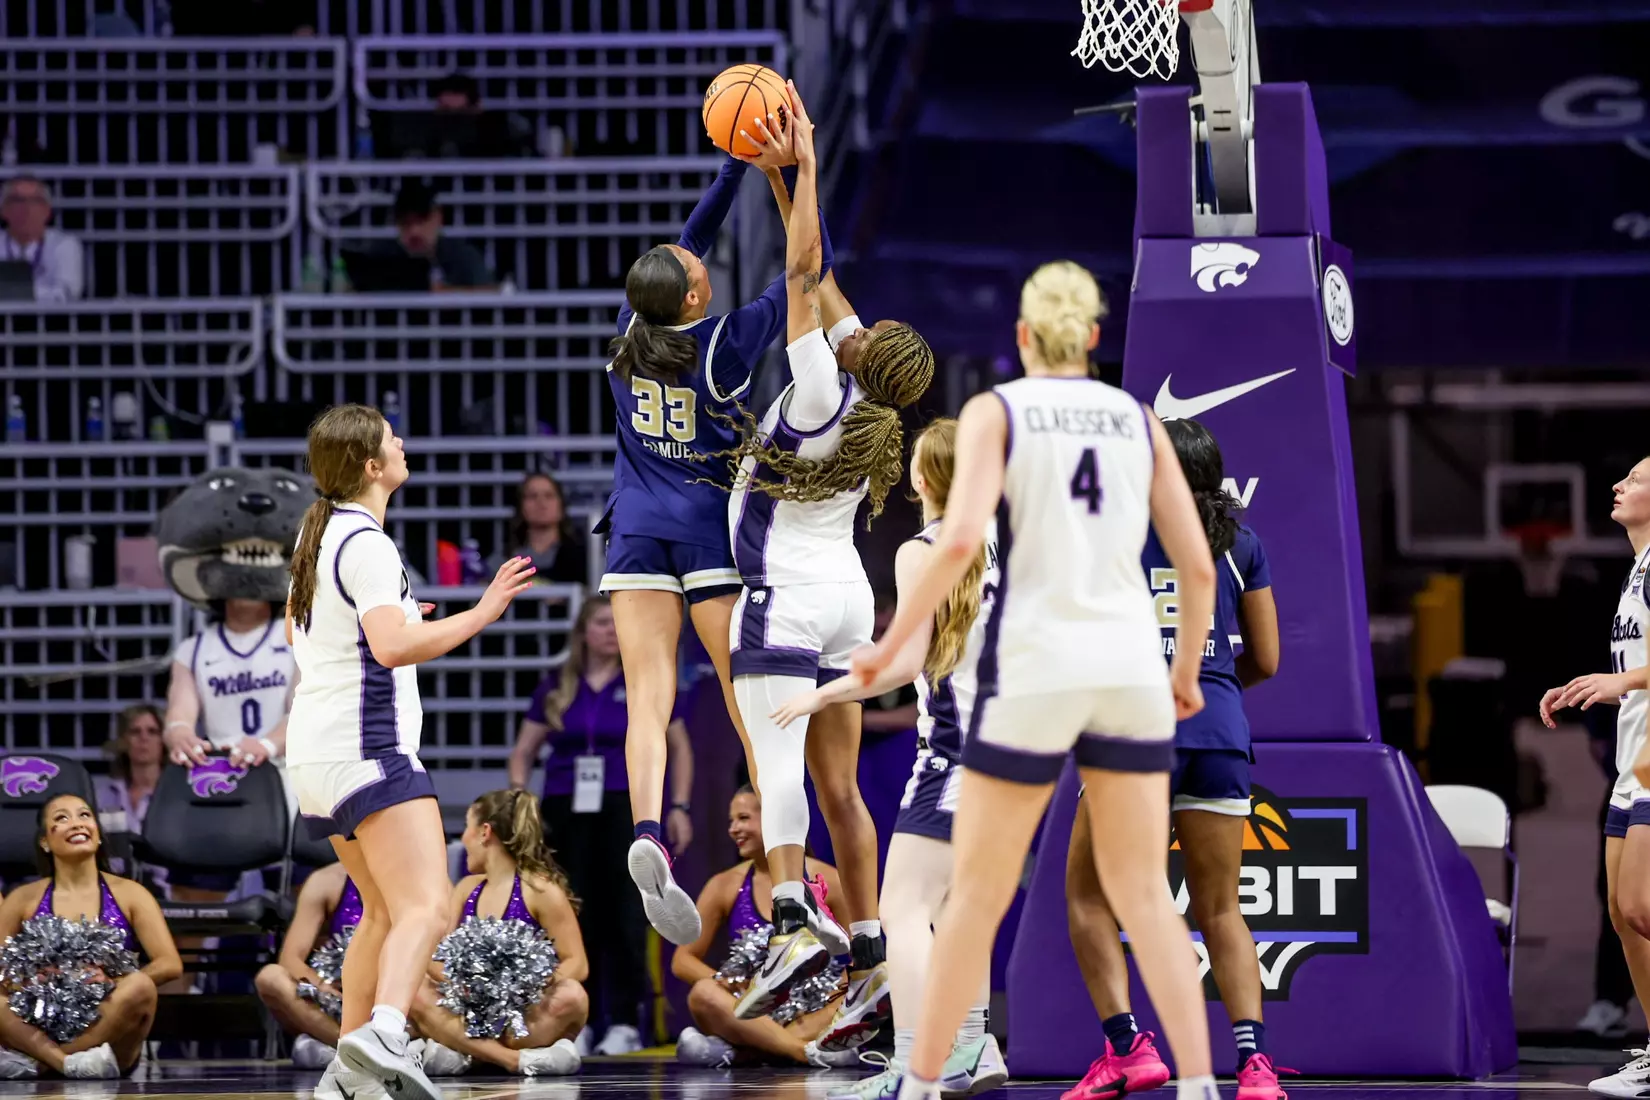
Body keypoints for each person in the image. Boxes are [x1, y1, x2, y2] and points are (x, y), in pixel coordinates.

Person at [852, 260, 1218, 1100]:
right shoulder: (1137, 418)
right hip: (1128, 665)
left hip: (1039, 667)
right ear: (1094, 336)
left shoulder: (996, 411)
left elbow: (953, 542)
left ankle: (921, 1084)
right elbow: (1196, 564)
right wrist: (1188, 669)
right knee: (1143, 895)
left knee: (974, 895)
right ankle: (1200, 1086)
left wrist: (888, 648)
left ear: (1021, 335)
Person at [597, 83, 835, 948]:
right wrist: (792, 170)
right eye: (694, 268)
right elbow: (804, 268)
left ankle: (648, 830)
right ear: (694, 298)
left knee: (647, 698)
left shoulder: (630, 337)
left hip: (631, 530)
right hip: (703, 529)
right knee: (744, 695)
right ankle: (784, 860)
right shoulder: (725, 345)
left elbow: (687, 241)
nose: (694, 258)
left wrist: (735, 160)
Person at [719, 84, 933, 1035]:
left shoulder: (816, 392)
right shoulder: (878, 399)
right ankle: (875, 945)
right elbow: (821, 272)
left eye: (873, 332)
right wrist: (782, 176)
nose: (867, 322)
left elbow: (805, 273)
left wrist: (804, 165)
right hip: (853, 597)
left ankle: (797, 919)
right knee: (841, 786)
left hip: (786, 598)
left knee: (779, 773)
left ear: (864, 357)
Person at [283, 402, 537, 1100]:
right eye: (393, 439)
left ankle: (346, 1069)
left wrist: (394, 619)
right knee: (428, 905)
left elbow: (304, 637)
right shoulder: (366, 541)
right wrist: (481, 612)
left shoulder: (317, 536)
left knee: (383, 910)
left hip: (314, 758)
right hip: (369, 746)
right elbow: (390, 649)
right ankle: (386, 1031)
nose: (402, 444)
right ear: (371, 465)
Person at [771, 417, 1009, 1099]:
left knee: (902, 907)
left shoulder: (923, 548)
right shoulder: (999, 544)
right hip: (1009, 756)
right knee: (963, 904)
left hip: (954, 755)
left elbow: (899, 666)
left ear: (922, 478)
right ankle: (973, 1043)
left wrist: (825, 695)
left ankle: (915, 1067)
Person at [1065, 417, 1283, 1100]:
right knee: (1221, 908)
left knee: (1088, 895)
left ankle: (1128, 1048)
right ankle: (1254, 1067)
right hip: (1219, 733)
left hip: (1135, 732)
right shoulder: (1239, 542)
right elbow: (1268, 660)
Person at [507, 594, 694, 1055]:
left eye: (616, 623)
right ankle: (578, 1019)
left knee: (625, 913)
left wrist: (680, 806)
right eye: (600, 623)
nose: (609, 631)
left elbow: (680, 747)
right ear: (583, 631)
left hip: (622, 806)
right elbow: (522, 753)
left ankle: (626, 1021)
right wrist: (521, 800)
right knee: (571, 912)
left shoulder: (640, 681)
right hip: (565, 809)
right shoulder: (557, 685)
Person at [1540, 455, 1650, 1098]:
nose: (1617, 484)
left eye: (1635, 480)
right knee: (1620, 913)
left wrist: (1624, 680)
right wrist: (1601, 688)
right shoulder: (1636, 570)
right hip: (1629, 763)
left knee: (1641, 905)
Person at [670, 786, 858, 1069]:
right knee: (702, 994)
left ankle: (743, 1052)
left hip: (814, 1008)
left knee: (860, 995)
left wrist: (838, 993)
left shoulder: (827, 879)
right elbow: (682, 960)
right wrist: (733, 984)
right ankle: (801, 1052)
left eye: (743, 818)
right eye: (731, 821)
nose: (734, 829)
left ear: (774, 820)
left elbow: (859, 958)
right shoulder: (725, 884)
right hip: (751, 1009)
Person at [0, 794, 182, 1079]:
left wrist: (113, 982)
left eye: (84, 815)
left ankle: (42, 1064)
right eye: (62, 818)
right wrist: (29, 980)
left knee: (140, 987)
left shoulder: (131, 893)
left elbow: (170, 963)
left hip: (107, 1028)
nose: (76, 824)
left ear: (97, 835)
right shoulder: (23, 898)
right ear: (45, 841)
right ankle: (67, 1065)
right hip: (40, 1017)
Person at [411, 790, 587, 1076]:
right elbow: (434, 958)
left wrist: (520, 989)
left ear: (484, 832)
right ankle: (513, 1060)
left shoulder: (541, 891)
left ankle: (467, 1051)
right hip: (469, 1008)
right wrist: (470, 987)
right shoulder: (466, 889)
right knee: (416, 989)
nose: (463, 839)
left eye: (467, 827)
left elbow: (576, 963)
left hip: (521, 1014)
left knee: (573, 996)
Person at [162, 595, 296, 910]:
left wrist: (266, 743)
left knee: (305, 902)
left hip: (288, 781)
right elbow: (178, 714)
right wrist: (178, 734)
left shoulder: (298, 636)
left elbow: (306, 707)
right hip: (221, 783)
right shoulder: (193, 649)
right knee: (193, 900)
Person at [254, 863, 365, 1069]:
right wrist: (325, 989)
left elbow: (439, 958)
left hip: (397, 1000)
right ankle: (359, 1050)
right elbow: (290, 959)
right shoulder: (327, 881)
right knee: (270, 977)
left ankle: (348, 1051)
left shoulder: (418, 878)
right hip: (338, 999)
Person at [373, 183, 496, 291]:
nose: (414, 232)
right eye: (406, 223)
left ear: (438, 218)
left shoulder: (462, 255)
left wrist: (443, 293)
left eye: (422, 221)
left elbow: (491, 292)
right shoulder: (382, 256)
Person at [94, 704, 164, 879]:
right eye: (135, 732)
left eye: (152, 731)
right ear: (124, 740)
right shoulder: (103, 796)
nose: (144, 738)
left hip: (167, 893)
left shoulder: (176, 796)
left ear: (164, 740)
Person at [488, 472, 590, 586]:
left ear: (561, 505)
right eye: (532, 496)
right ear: (521, 506)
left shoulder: (584, 557)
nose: (541, 503)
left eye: (549, 495)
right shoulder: (505, 559)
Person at [0, 176, 85, 302]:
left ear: (47, 211)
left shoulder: (64, 244)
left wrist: (14, 291)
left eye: (35, 201)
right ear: (3, 210)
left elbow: (67, 293)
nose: (26, 208)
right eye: (17, 200)